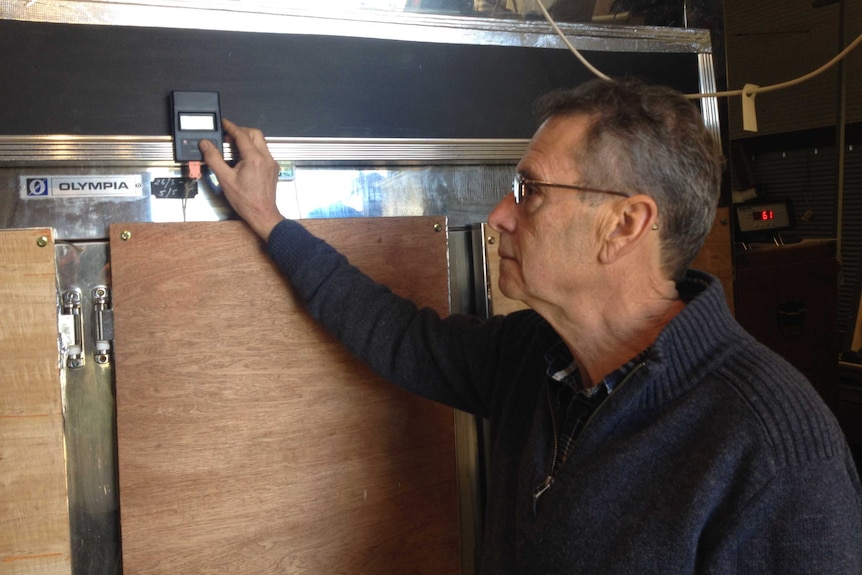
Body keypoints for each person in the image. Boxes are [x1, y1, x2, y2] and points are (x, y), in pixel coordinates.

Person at [199, 78, 862, 573]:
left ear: (624, 224)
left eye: (530, 191)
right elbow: (395, 334)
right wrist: (270, 219)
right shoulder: (537, 359)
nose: (499, 216)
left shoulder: (773, 450)